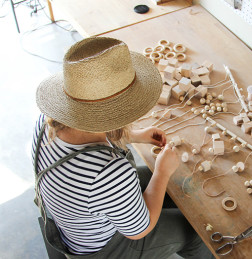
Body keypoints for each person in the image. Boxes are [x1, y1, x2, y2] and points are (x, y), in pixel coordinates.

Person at [32, 36, 214, 258]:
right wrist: (162, 173)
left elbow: (83, 142)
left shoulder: (45, 123)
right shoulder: (110, 171)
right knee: (196, 231)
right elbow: (140, 229)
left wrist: (134, 136)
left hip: (75, 222)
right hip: (105, 248)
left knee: (170, 183)